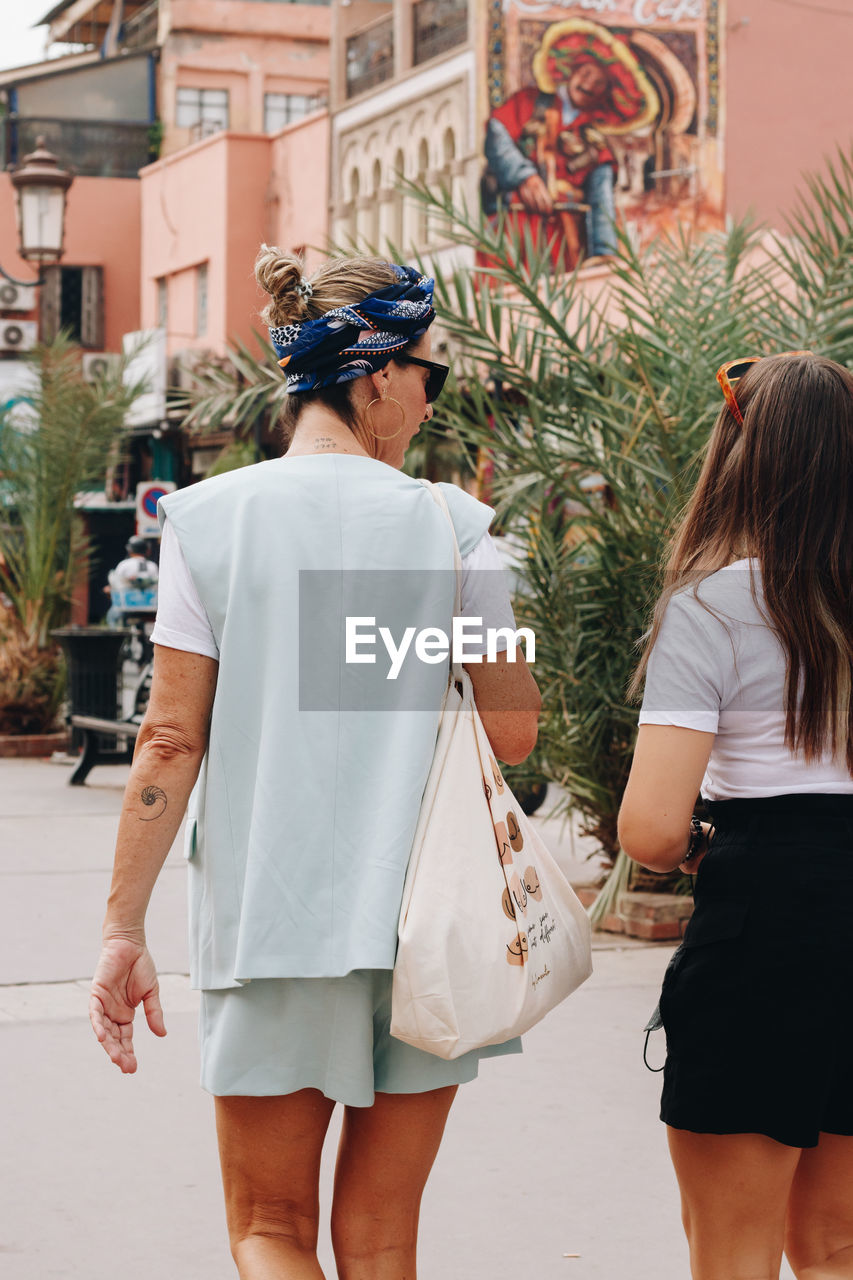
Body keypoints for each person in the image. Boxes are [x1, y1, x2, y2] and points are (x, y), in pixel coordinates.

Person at [89, 250, 541, 1279]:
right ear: (378, 371)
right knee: (382, 1241)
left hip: (271, 919)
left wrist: (123, 926)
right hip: (424, 924)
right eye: (433, 372)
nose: (434, 399)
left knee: (269, 1228)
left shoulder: (206, 523)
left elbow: (169, 737)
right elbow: (515, 731)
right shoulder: (459, 530)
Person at [617, 352, 853, 1279]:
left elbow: (649, 827)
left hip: (768, 925)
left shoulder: (713, 606)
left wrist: (701, 847)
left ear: (739, 457)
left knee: (734, 1252)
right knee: (835, 1246)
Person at [483, 19, 657, 263]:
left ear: (605, 94)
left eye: (599, 83)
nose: (588, 85)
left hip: (563, 244)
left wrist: (604, 254)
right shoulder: (527, 102)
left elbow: (602, 202)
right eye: (586, 74)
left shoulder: (596, 145)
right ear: (572, 70)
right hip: (511, 228)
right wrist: (524, 176)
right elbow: (496, 136)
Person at [105, 535, 159, 628]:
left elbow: (116, 584)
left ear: (130, 550)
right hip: (151, 607)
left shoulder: (124, 565)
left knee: (111, 617)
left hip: (127, 607)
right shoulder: (152, 566)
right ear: (147, 550)